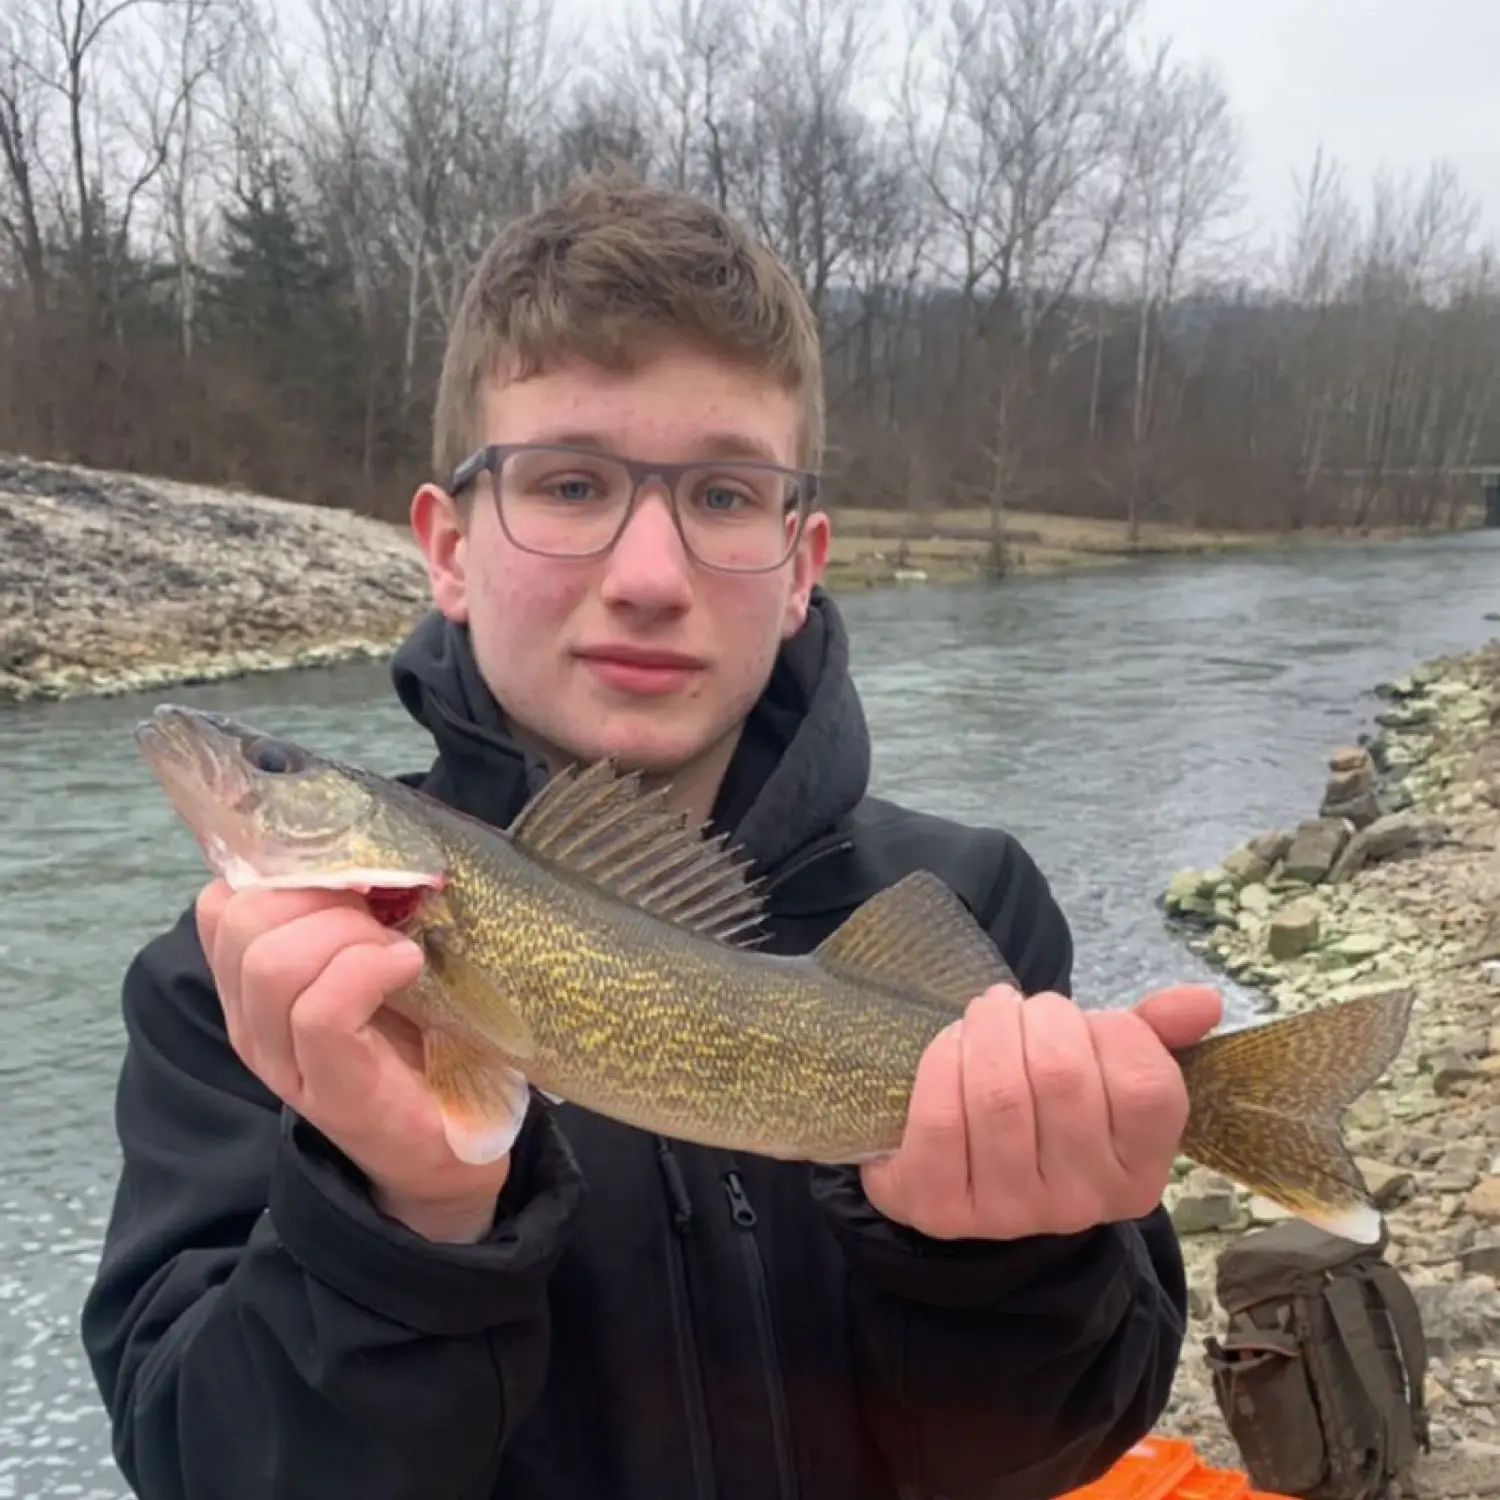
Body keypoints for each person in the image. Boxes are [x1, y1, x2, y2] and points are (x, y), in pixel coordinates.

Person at [80, 165, 1221, 1500]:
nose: (646, 576)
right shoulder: (229, 998)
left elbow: (1057, 1446)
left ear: (803, 561)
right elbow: (202, 1468)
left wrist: (1005, 1261)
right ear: (448, 549)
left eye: (726, 499)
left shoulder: (969, 896)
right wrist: (403, 1221)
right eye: (569, 485)